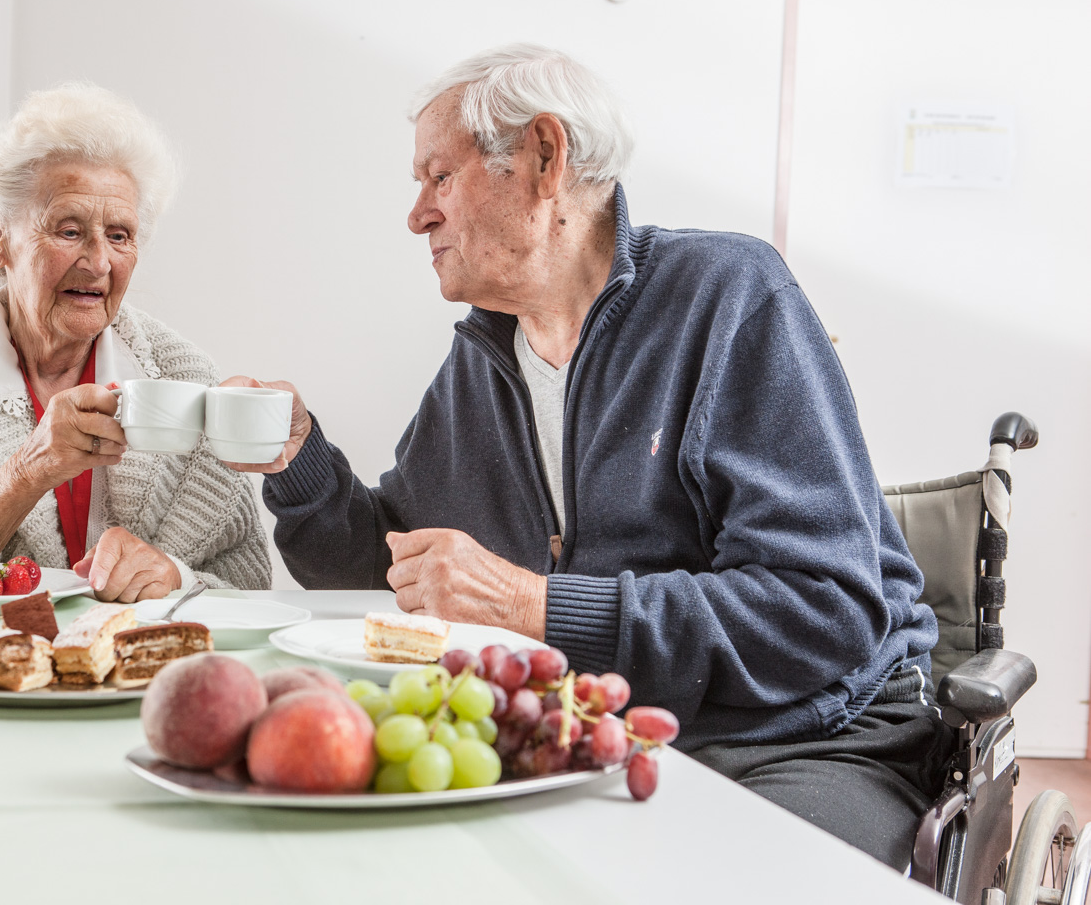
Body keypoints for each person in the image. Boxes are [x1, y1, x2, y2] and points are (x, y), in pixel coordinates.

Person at [223, 44, 950, 867]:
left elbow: (823, 609)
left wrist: (538, 605)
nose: (417, 214)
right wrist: (300, 464)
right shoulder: (484, 359)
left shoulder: (730, 298)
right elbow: (390, 565)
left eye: (440, 178)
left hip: (804, 738)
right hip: (597, 738)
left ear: (543, 155)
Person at [0, 82, 270, 599]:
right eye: (68, 230)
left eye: (119, 235)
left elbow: (249, 582)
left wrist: (173, 578)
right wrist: (26, 472)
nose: (98, 263)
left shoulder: (184, 375)